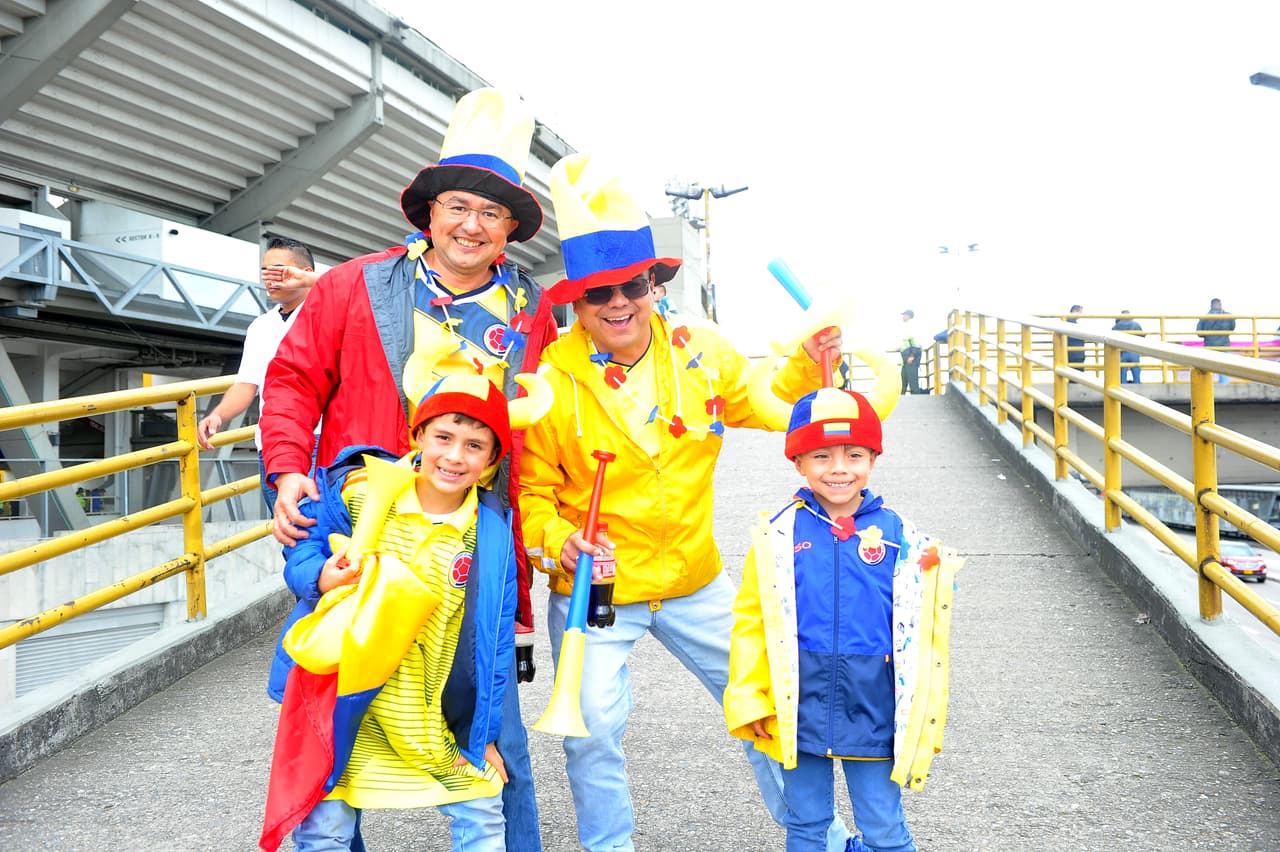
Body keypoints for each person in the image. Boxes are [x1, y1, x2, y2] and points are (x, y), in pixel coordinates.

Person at [519, 153, 849, 851]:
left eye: (631, 286)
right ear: (576, 303)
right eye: (598, 292)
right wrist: (559, 542)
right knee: (592, 731)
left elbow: (775, 405)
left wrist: (813, 354)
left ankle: (819, 838)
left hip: (697, 581)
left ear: (654, 286)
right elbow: (532, 495)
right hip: (597, 590)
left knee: (767, 707)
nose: (617, 304)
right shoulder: (549, 381)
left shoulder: (702, 352)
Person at [258, 88, 554, 851]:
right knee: (337, 728)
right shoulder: (351, 286)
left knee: (493, 733)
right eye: (458, 205)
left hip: (471, 546)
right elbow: (291, 381)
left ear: (510, 230)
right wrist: (289, 470)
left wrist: (533, 561)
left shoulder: (530, 311)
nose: (471, 225)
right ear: (430, 212)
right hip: (360, 537)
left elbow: (549, 431)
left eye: (492, 214)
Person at [259, 373, 538, 851]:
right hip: (344, 703)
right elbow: (305, 547)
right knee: (325, 828)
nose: (454, 456)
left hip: (426, 712)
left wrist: (483, 736)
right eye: (443, 437)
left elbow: (493, 648)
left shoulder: (489, 533)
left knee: (483, 808)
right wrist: (322, 576)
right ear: (418, 436)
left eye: (475, 446)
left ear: (492, 461)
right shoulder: (358, 489)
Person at [723, 387, 959, 852]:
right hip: (798, 700)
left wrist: (937, 575)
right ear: (798, 463)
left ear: (873, 459)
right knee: (806, 824)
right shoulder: (777, 534)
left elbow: (927, 629)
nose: (838, 469)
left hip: (874, 701)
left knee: (884, 828)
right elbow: (750, 621)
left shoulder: (901, 537)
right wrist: (751, 696)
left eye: (853, 455)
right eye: (821, 456)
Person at [196, 236, 319, 512]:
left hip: (320, 440)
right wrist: (217, 415)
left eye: (280, 271)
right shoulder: (261, 327)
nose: (270, 279)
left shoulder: (332, 314)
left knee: (320, 534)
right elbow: (246, 385)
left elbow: (357, 288)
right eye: (266, 271)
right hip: (272, 445)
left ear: (306, 274)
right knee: (289, 534)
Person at [1196, 298, 1235, 383]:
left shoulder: (1204, 317)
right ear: (1220, 305)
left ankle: (1208, 385)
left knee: (1208, 368)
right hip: (1224, 346)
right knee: (1225, 368)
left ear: (1211, 305)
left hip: (1210, 347)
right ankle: (1224, 385)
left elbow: (1199, 333)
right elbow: (1232, 328)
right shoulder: (1229, 316)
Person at [1112, 311, 1144, 384]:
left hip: (1121, 352)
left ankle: (1123, 386)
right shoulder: (1136, 324)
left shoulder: (1116, 326)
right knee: (1136, 370)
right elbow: (1142, 336)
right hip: (1134, 351)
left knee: (1122, 371)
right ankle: (1137, 384)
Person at [899, 309, 922, 395]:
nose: (903, 317)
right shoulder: (907, 326)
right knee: (903, 381)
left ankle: (917, 402)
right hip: (906, 358)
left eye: (904, 315)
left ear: (908, 316)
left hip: (910, 357)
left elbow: (916, 343)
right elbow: (907, 342)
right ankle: (901, 400)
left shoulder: (912, 326)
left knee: (913, 381)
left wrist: (912, 356)